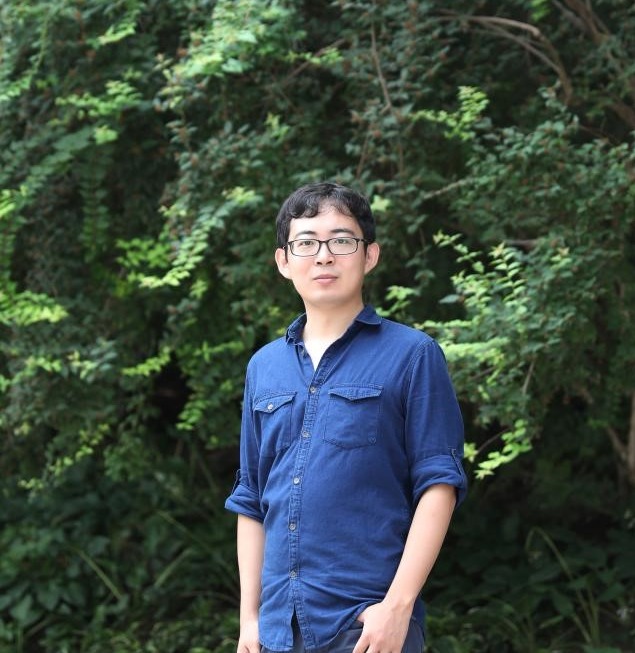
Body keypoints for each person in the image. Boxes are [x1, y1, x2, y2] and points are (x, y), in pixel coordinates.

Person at [225, 181, 467, 653]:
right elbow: (251, 498)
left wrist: (397, 608)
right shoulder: (263, 367)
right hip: (276, 631)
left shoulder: (413, 355)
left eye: (341, 240)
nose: (324, 256)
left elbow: (439, 484)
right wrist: (249, 620)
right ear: (283, 261)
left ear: (369, 255)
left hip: (367, 627)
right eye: (306, 243)